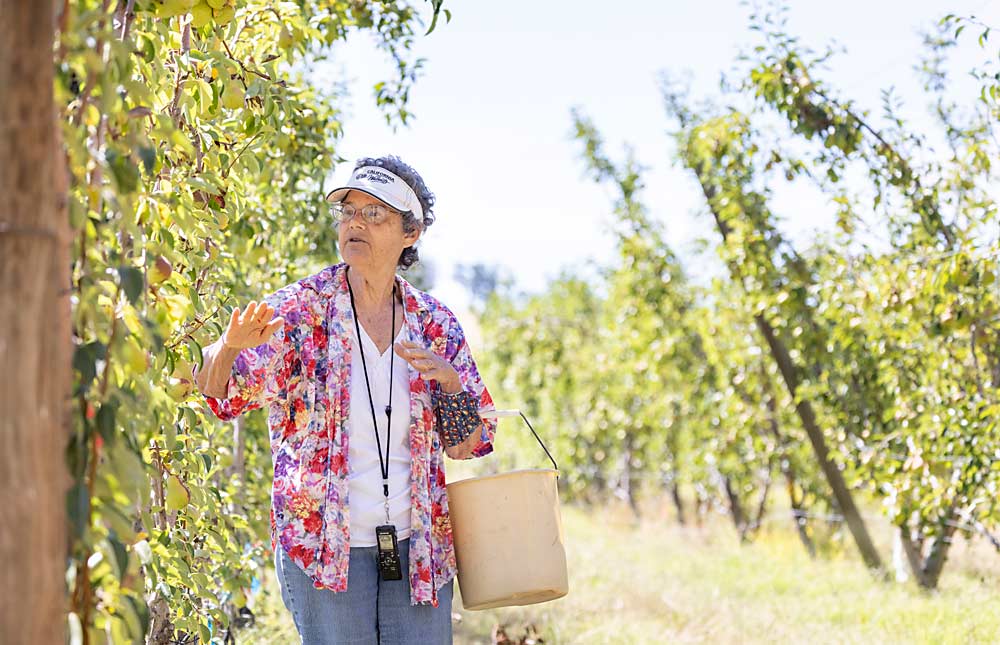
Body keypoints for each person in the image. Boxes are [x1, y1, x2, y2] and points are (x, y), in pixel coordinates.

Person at [193, 155, 497, 644]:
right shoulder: (300, 310)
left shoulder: (435, 324)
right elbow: (222, 394)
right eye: (348, 211)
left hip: (417, 549)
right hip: (324, 547)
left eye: (375, 214)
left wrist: (452, 387)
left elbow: (469, 446)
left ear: (410, 233)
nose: (356, 222)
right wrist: (228, 348)